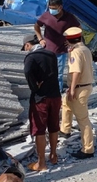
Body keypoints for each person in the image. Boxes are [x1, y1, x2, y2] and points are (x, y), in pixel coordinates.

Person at [22, 34, 62, 171]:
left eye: (25, 47)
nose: (26, 50)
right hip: (55, 95)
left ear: (28, 45)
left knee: (39, 129)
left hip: (41, 98)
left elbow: (27, 71)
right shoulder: (51, 54)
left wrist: (34, 86)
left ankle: (41, 163)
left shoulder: (31, 57)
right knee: (53, 126)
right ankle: (54, 155)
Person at [60, 27, 95, 159]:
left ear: (68, 40)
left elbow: (76, 72)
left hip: (79, 88)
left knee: (83, 120)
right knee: (66, 104)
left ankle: (88, 149)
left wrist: (72, 89)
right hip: (85, 86)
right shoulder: (85, 49)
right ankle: (65, 129)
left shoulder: (75, 52)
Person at [34, 0, 81, 93]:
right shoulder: (46, 16)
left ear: (60, 7)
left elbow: (79, 29)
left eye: (54, 8)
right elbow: (37, 26)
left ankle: (57, 94)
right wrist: (40, 39)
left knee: (58, 74)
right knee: (45, 72)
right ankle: (45, 92)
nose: (52, 10)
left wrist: (72, 42)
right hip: (47, 50)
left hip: (61, 51)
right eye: (50, 8)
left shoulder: (69, 17)